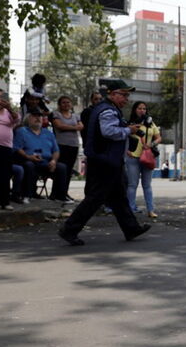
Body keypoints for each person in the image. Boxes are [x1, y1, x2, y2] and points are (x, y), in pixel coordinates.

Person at [59, 80, 151, 246]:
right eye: (123, 95)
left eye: (127, 95)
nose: (126, 99)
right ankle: (69, 229)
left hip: (107, 160)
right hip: (105, 161)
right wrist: (129, 130)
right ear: (112, 94)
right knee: (95, 198)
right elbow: (108, 131)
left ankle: (131, 228)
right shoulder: (108, 110)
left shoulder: (107, 109)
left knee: (118, 197)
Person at [13, 109, 71, 203]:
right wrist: (28, 156)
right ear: (28, 119)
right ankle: (26, 195)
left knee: (62, 167)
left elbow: (56, 151)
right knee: (29, 165)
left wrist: (53, 161)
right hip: (29, 160)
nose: (38, 118)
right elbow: (17, 147)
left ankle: (59, 196)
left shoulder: (48, 133)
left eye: (39, 116)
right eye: (34, 116)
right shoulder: (22, 131)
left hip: (46, 162)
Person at [125, 101, 161, 218]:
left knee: (147, 185)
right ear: (135, 110)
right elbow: (123, 137)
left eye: (144, 109)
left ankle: (150, 210)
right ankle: (130, 209)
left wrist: (151, 145)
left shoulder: (150, 123)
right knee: (132, 185)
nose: (142, 111)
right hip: (133, 157)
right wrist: (126, 150)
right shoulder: (130, 123)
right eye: (139, 108)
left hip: (147, 157)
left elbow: (159, 137)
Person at [50, 96, 83, 199]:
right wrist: (74, 128)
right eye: (63, 103)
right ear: (59, 104)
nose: (66, 104)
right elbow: (59, 126)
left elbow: (81, 126)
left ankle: (64, 192)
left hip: (73, 145)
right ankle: (55, 193)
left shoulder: (75, 115)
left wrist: (68, 127)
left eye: (68, 102)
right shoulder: (56, 114)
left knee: (68, 171)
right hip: (61, 145)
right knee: (60, 170)